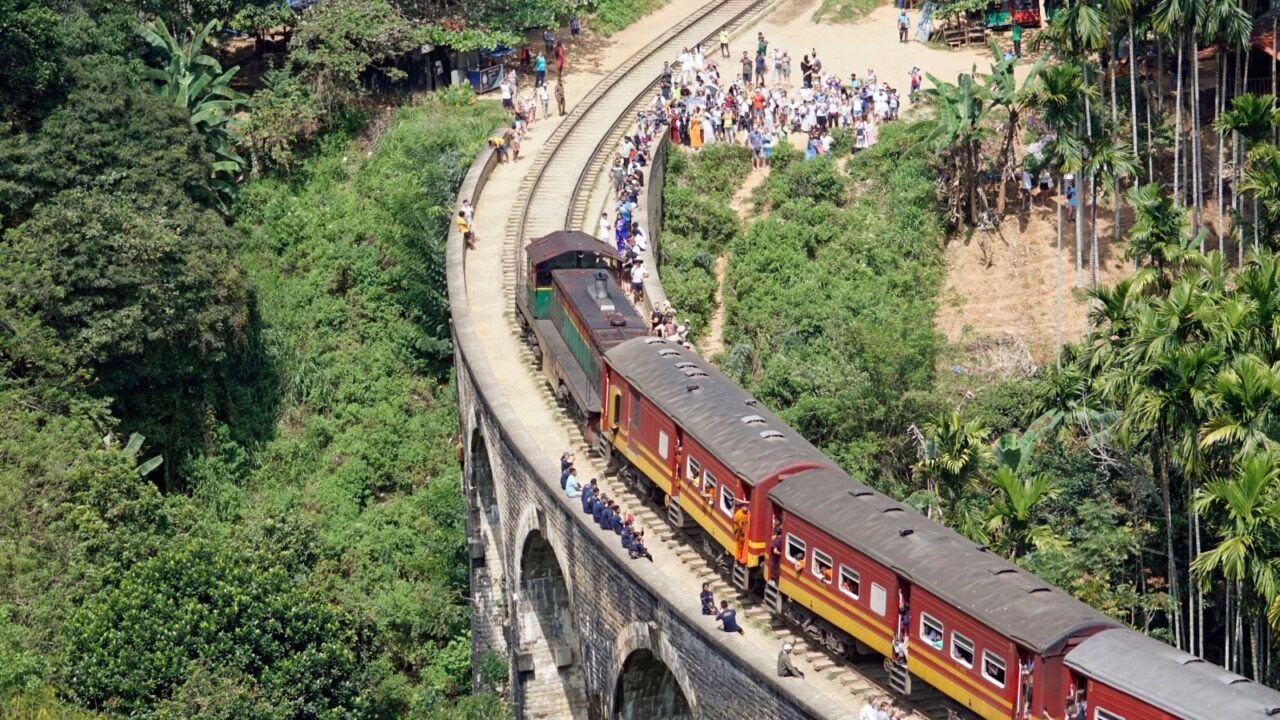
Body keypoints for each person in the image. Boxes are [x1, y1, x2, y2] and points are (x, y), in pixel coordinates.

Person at [732, 500, 750, 565]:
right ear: (741, 507)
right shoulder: (738, 515)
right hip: (740, 533)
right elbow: (738, 524)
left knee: (742, 545)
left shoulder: (747, 513)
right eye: (744, 506)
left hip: (744, 532)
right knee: (740, 546)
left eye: (746, 507)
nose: (745, 508)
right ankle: (740, 557)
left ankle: (742, 556)